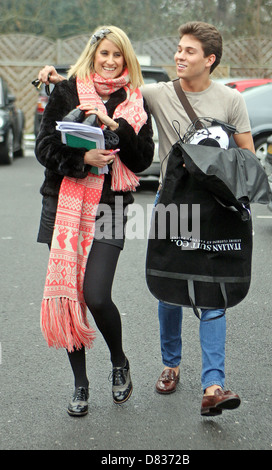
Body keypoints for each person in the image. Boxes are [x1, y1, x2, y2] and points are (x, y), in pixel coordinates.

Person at [37, 21, 255, 417]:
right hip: (112, 206)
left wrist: (115, 129)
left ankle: (203, 380)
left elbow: (144, 159)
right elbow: (51, 134)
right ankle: (116, 376)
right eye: (178, 48)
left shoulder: (160, 98)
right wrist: (78, 151)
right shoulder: (110, 91)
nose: (179, 55)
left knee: (200, 291)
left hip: (156, 208)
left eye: (189, 51)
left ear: (210, 60)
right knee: (147, 288)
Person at [35, 25, 154, 417]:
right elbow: (44, 146)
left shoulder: (133, 100)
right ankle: (80, 385)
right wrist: (82, 160)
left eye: (117, 54)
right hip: (65, 203)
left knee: (95, 294)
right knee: (69, 293)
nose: (110, 60)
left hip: (111, 207)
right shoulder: (69, 90)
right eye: (104, 53)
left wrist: (116, 127)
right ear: (93, 54)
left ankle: (119, 362)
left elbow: (141, 160)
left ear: (126, 58)